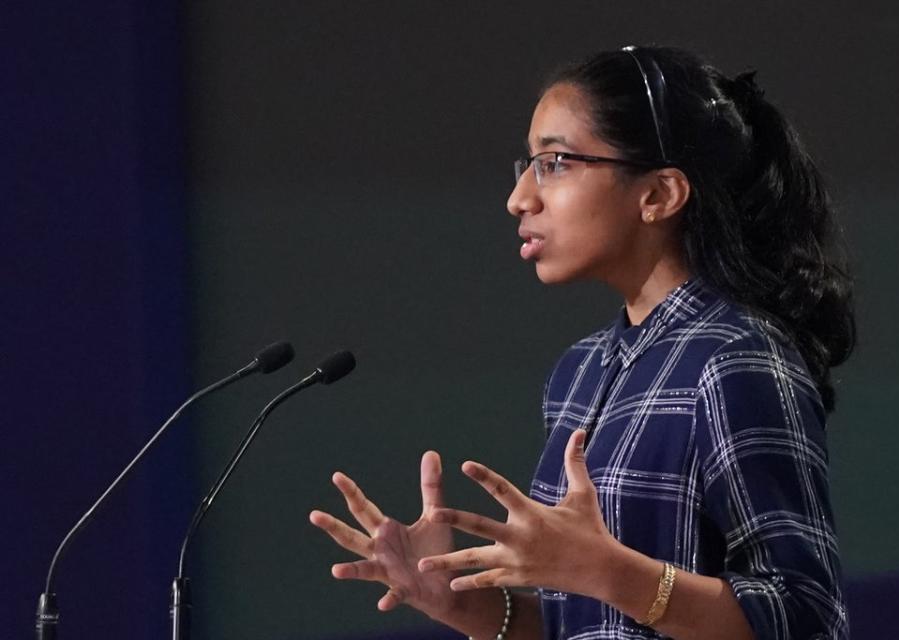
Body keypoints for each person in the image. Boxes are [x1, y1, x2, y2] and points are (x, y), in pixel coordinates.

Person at [309, 44, 855, 640]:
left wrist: (610, 572)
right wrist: (453, 601)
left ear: (659, 195)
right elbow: (592, 622)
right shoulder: (582, 370)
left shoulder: (737, 359)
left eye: (556, 163)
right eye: (527, 165)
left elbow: (805, 614)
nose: (520, 197)